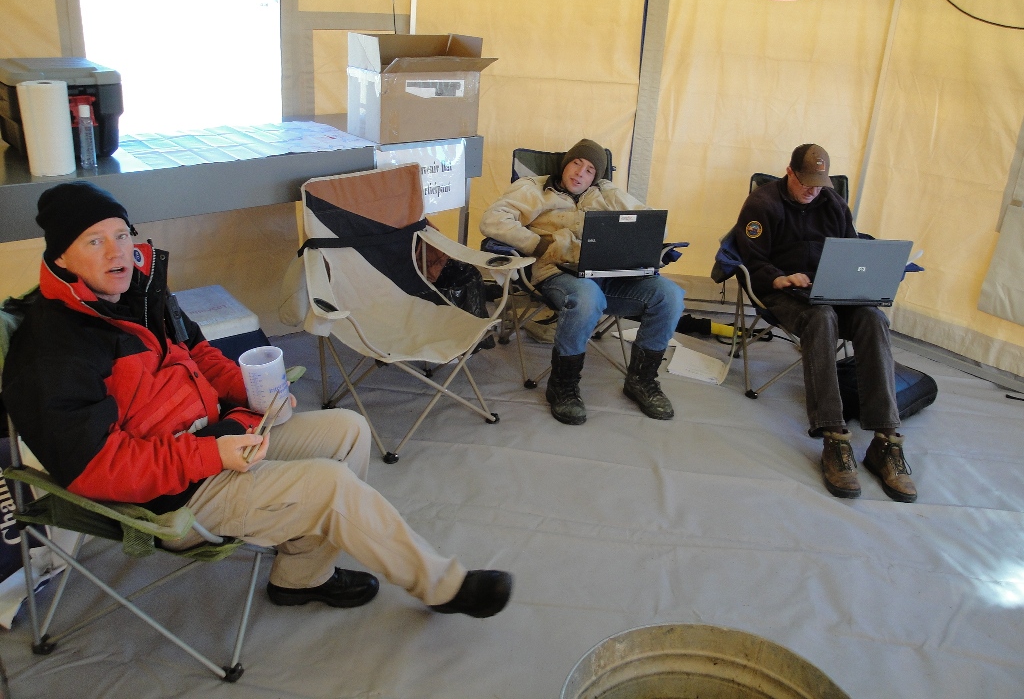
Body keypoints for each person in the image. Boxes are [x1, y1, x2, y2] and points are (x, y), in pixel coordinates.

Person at [2, 181, 512, 617]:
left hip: (217, 437)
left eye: (120, 234)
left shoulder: (138, 290)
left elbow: (198, 352)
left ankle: (301, 574)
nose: (117, 253)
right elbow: (96, 467)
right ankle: (444, 586)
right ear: (61, 256)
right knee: (330, 485)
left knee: (348, 429)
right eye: (95, 241)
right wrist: (209, 454)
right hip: (169, 495)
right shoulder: (51, 346)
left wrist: (255, 393)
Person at [733, 144, 916, 503]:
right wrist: (778, 278)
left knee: (872, 318)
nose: (813, 191)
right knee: (821, 318)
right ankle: (834, 437)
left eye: (819, 184)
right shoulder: (762, 204)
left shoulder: (832, 203)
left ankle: (886, 441)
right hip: (784, 291)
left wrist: (867, 278)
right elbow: (748, 259)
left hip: (832, 287)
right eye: (806, 183)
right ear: (790, 172)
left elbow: (852, 253)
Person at [480, 139, 685, 425]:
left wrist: (611, 192)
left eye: (590, 170)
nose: (580, 173)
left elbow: (649, 224)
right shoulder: (534, 188)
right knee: (588, 297)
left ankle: (642, 380)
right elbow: (492, 220)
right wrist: (538, 245)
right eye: (577, 163)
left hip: (607, 274)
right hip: (557, 273)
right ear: (566, 163)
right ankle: (562, 385)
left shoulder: (604, 194)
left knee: (670, 295)